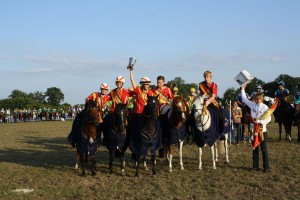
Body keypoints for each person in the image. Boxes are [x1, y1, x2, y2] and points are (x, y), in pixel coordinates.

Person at [241, 84, 271, 173]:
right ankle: (255, 166)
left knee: (264, 149)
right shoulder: (253, 104)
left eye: (258, 99)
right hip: (254, 130)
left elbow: (269, 118)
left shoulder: (265, 107)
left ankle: (266, 167)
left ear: (262, 99)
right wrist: (242, 89)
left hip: (262, 131)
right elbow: (244, 100)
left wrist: (260, 122)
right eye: (255, 99)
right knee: (255, 148)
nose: (256, 100)